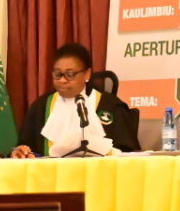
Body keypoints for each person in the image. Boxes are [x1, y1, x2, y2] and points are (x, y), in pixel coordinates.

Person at [12, 43, 140, 158]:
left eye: (70, 74)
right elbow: (26, 148)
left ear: (87, 74)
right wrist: (22, 152)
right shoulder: (41, 107)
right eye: (57, 74)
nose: (62, 80)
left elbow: (128, 154)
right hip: (50, 179)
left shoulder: (111, 106)